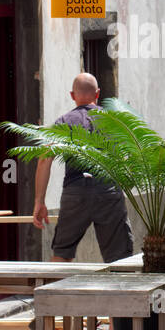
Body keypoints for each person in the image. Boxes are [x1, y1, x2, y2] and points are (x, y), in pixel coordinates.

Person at [32, 73, 134, 266]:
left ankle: (54, 295)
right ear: (98, 94)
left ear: (72, 95)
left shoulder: (64, 122)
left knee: (62, 253)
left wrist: (39, 201)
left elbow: (44, 160)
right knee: (120, 260)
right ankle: (121, 296)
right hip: (108, 191)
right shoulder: (114, 121)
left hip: (75, 191)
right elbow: (129, 157)